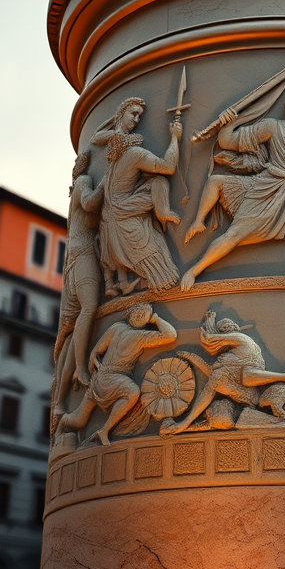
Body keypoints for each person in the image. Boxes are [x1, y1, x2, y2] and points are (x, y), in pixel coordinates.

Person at [181, 86, 285, 288]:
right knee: (233, 232)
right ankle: (194, 269)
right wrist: (229, 122)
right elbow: (227, 142)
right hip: (270, 187)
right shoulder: (272, 127)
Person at [93, 97, 182, 294]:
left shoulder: (115, 158)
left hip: (112, 215)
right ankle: (163, 212)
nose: (136, 120)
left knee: (156, 183)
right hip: (124, 212)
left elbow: (96, 137)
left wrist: (117, 123)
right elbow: (168, 167)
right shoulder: (135, 154)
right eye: (133, 114)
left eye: (139, 116)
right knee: (160, 181)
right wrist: (175, 138)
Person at [55, 302, 176, 446]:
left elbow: (95, 353)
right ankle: (105, 430)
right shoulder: (138, 336)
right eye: (137, 312)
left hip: (100, 379)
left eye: (144, 315)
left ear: (146, 321)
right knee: (132, 392)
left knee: (79, 420)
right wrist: (156, 318)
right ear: (130, 313)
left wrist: (94, 369)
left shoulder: (117, 328)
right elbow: (170, 335)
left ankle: (62, 425)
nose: (139, 315)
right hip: (110, 378)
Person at [52, 151, 103, 430]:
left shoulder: (74, 193)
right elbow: (91, 203)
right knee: (90, 307)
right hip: (82, 255)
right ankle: (81, 368)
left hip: (74, 258)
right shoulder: (84, 181)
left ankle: (60, 402)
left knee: (71, 335)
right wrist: (109, 175)